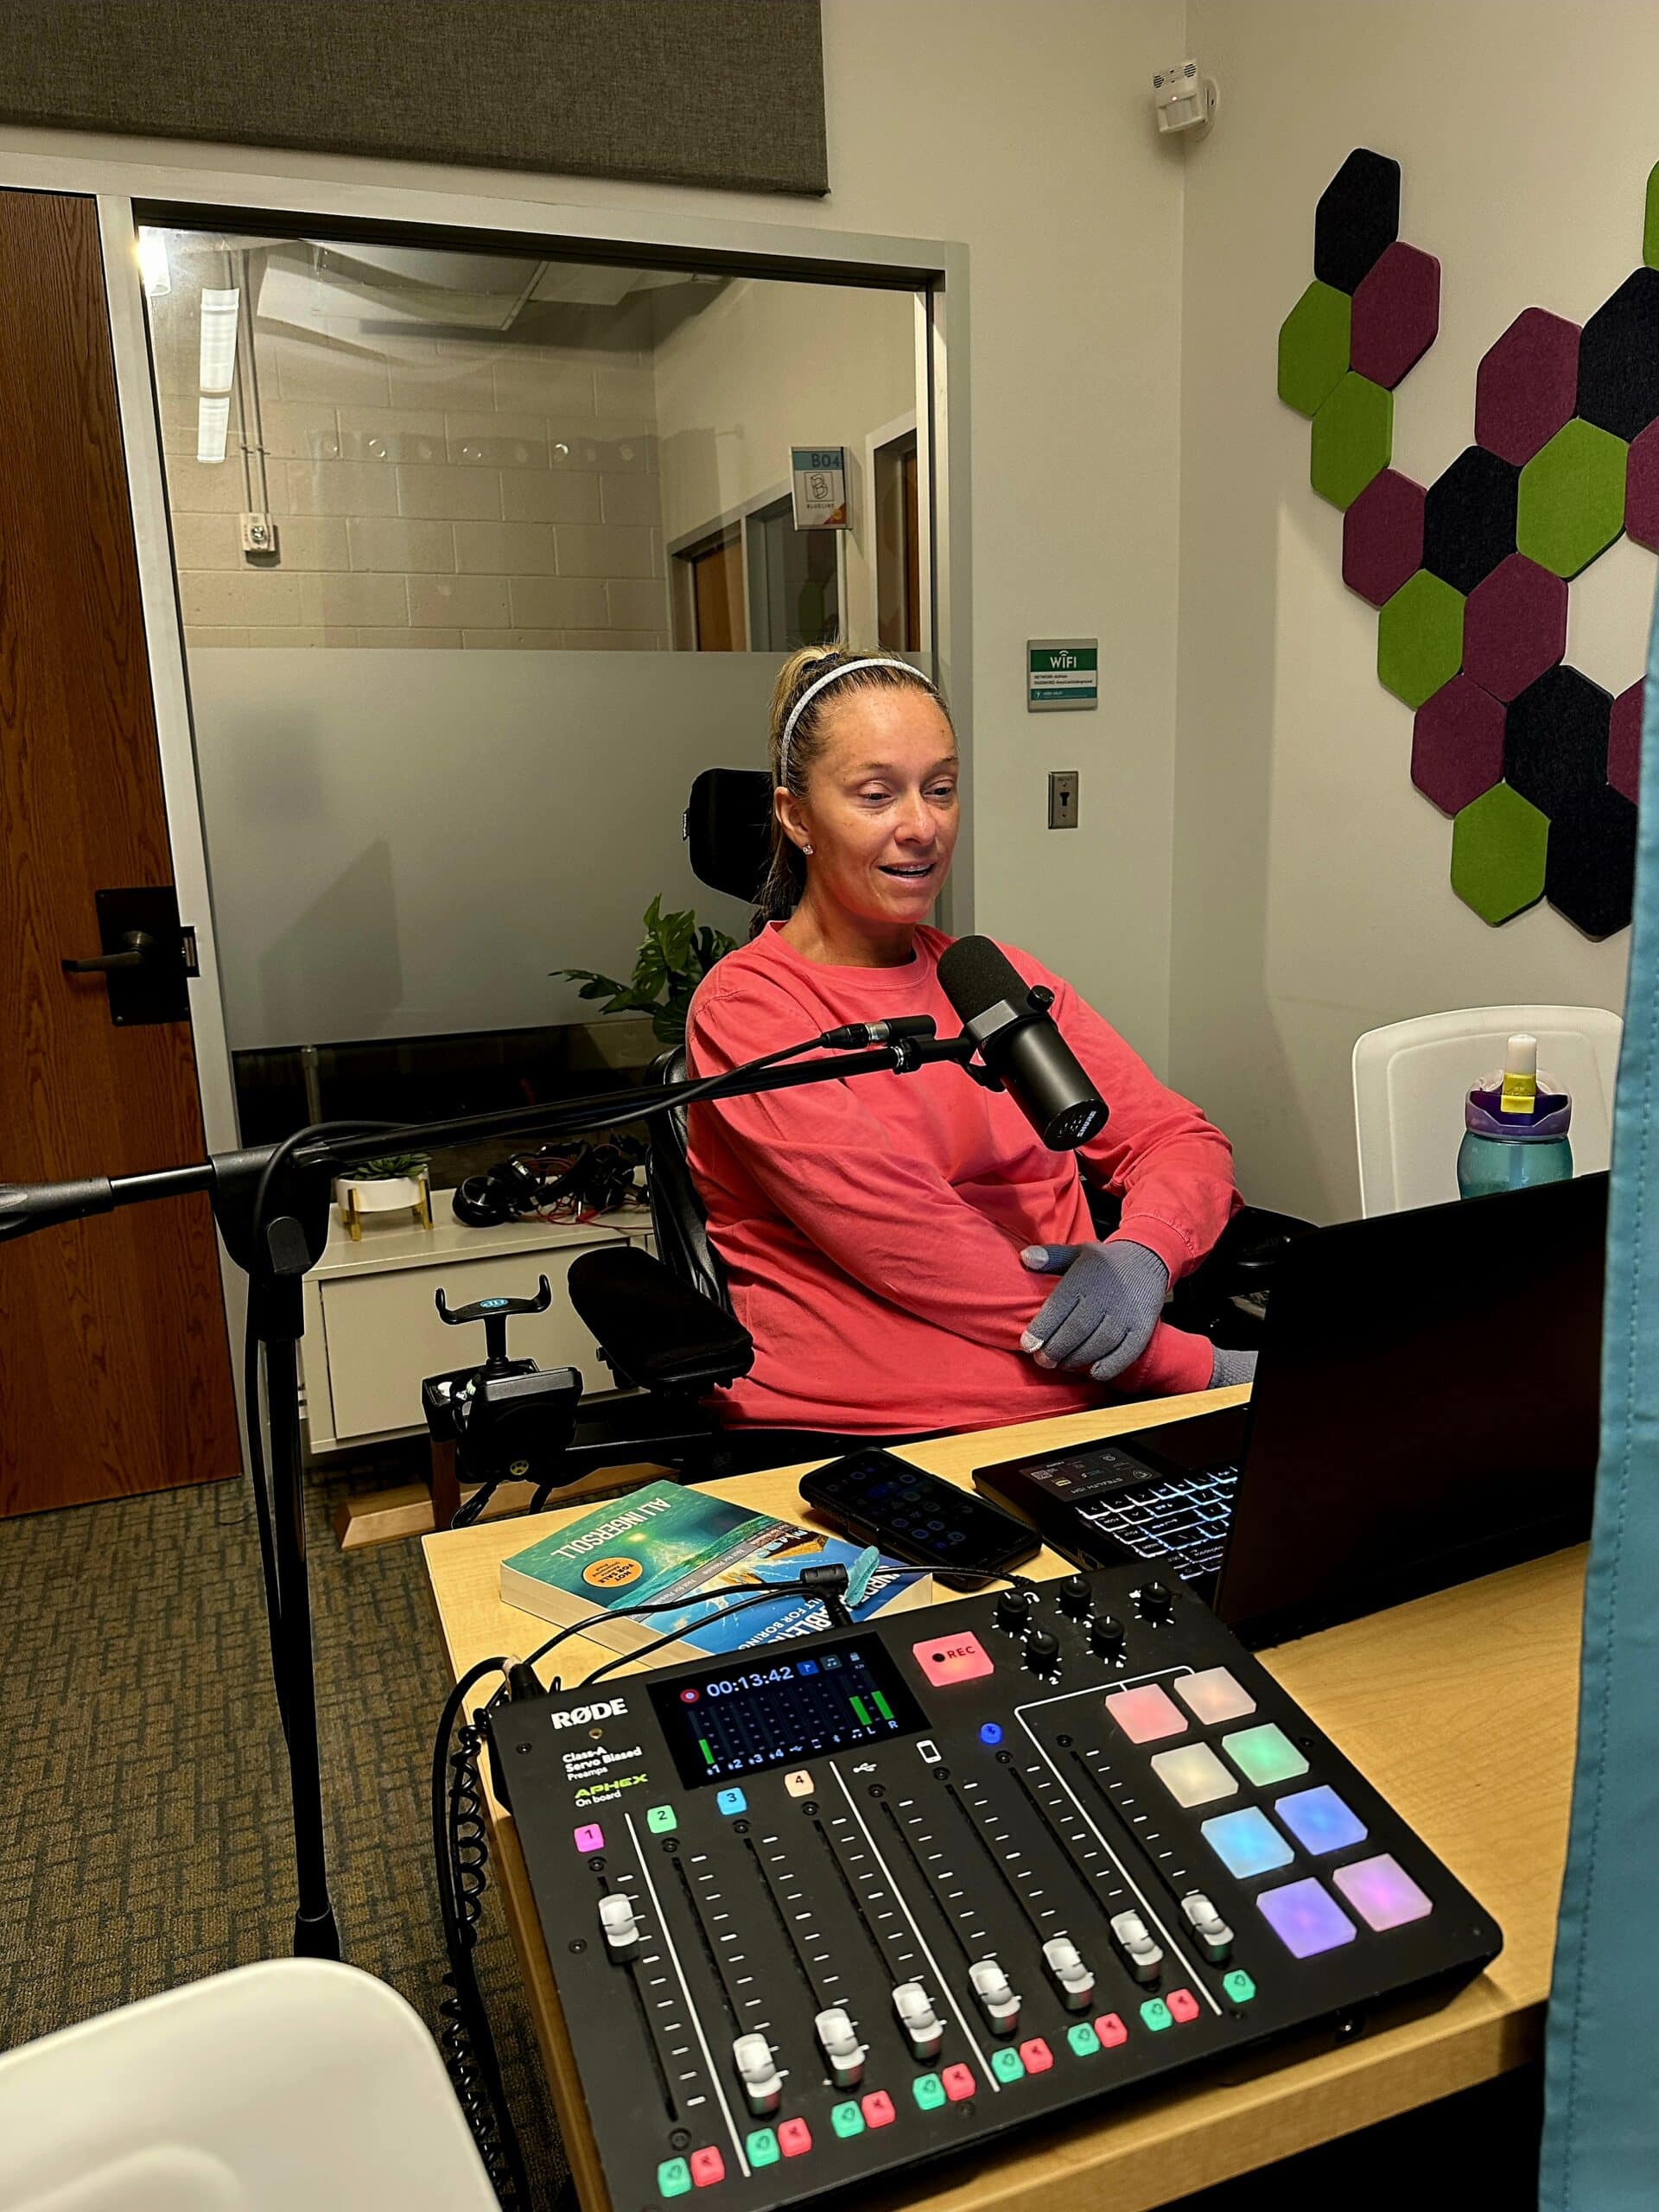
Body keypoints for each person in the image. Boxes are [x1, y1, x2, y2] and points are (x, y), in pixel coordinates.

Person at [683, 646, 1255, 1440]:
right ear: (795, 815)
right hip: (870, 1437)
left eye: (941, 790)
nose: (921, 827)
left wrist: (1144, 1258)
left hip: (1090, 1407)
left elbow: (1177, 1140)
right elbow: (908, 1242)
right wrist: (1193, 1366)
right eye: (877, 795)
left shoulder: (993, 980)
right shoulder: (749, 1008)